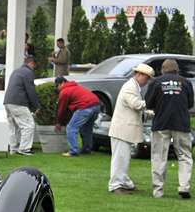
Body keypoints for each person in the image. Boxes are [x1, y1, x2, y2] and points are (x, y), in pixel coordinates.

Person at [146, 58, 194, 199]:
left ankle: (158, 191)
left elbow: (148, 103)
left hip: (161, 123)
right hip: (181, 124)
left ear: (162, 69)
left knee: (159, 157)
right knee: (185, 155)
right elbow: (190, 104)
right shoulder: (186, 82)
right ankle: (184, 186)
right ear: (177, 69)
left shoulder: (156, 82)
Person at [107, 63, 153, 194]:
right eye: (147, 78)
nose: (148, 81)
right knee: (120, 158)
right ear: (139, 75)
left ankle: (125, 183)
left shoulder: (133, 86)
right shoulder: (130, 87)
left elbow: (135, 108)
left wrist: (149, 112)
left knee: (124, 158)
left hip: (124, 129)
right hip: (122, 129)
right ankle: (115, 185)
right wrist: (153, 104)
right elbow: (135, 104)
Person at [52, 76, 101, 156]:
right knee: (87, 129)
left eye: (57, 86)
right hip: (96, 105)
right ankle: (86, 149)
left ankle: (73, 151)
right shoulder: (76, 86)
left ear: (62, 83)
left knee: (71, 128)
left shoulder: (64, 91)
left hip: (85, 107)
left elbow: (61, 109)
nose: (57, 88)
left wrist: (58, 122)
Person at [4, 56, 40, 155]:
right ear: (31, 64)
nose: (33, 68)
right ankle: (24, 149)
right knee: (28, 125)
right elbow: (31, 90)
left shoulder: (16, 71)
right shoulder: (28, 72)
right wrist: (37, 105)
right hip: (18, 102)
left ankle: (13, 148)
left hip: (7, 102)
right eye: (34, 66)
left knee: (13, 127)